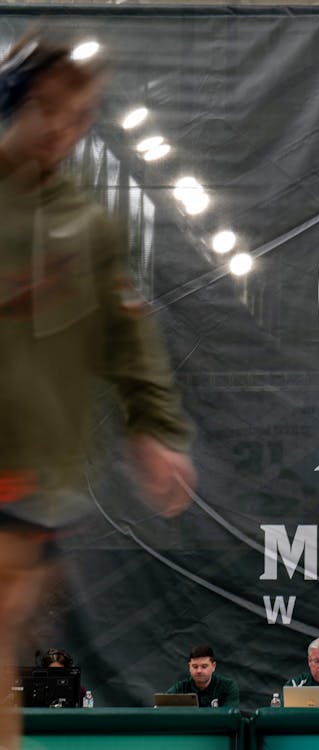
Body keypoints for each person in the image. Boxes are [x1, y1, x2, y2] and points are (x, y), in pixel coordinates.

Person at [0, 31, 195, 747]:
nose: (61, 127)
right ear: (13, 98)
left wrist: (154, 426)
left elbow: (127, 333)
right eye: (47, 106)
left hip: (36, 465)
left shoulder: (90, 223)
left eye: (78, 115)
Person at [166, 646, 239, 708]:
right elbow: (160, 708)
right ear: (189, 667)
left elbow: (229, 718)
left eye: (204, 666)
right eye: (195, 666)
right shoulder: (181, 688)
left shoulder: (228, 687)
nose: (199, 671)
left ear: (213, 666)